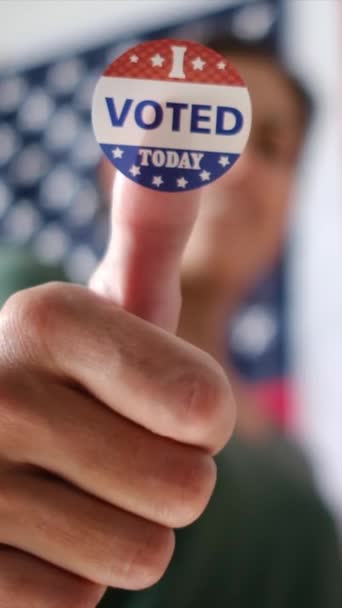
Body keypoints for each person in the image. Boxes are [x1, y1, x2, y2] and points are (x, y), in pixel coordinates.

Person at [0, 37, 341, 608]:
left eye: (275, 147)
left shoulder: (297, 461)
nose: (243, 167)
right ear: (114, 171)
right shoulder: (21, 299)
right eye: (206, 130)